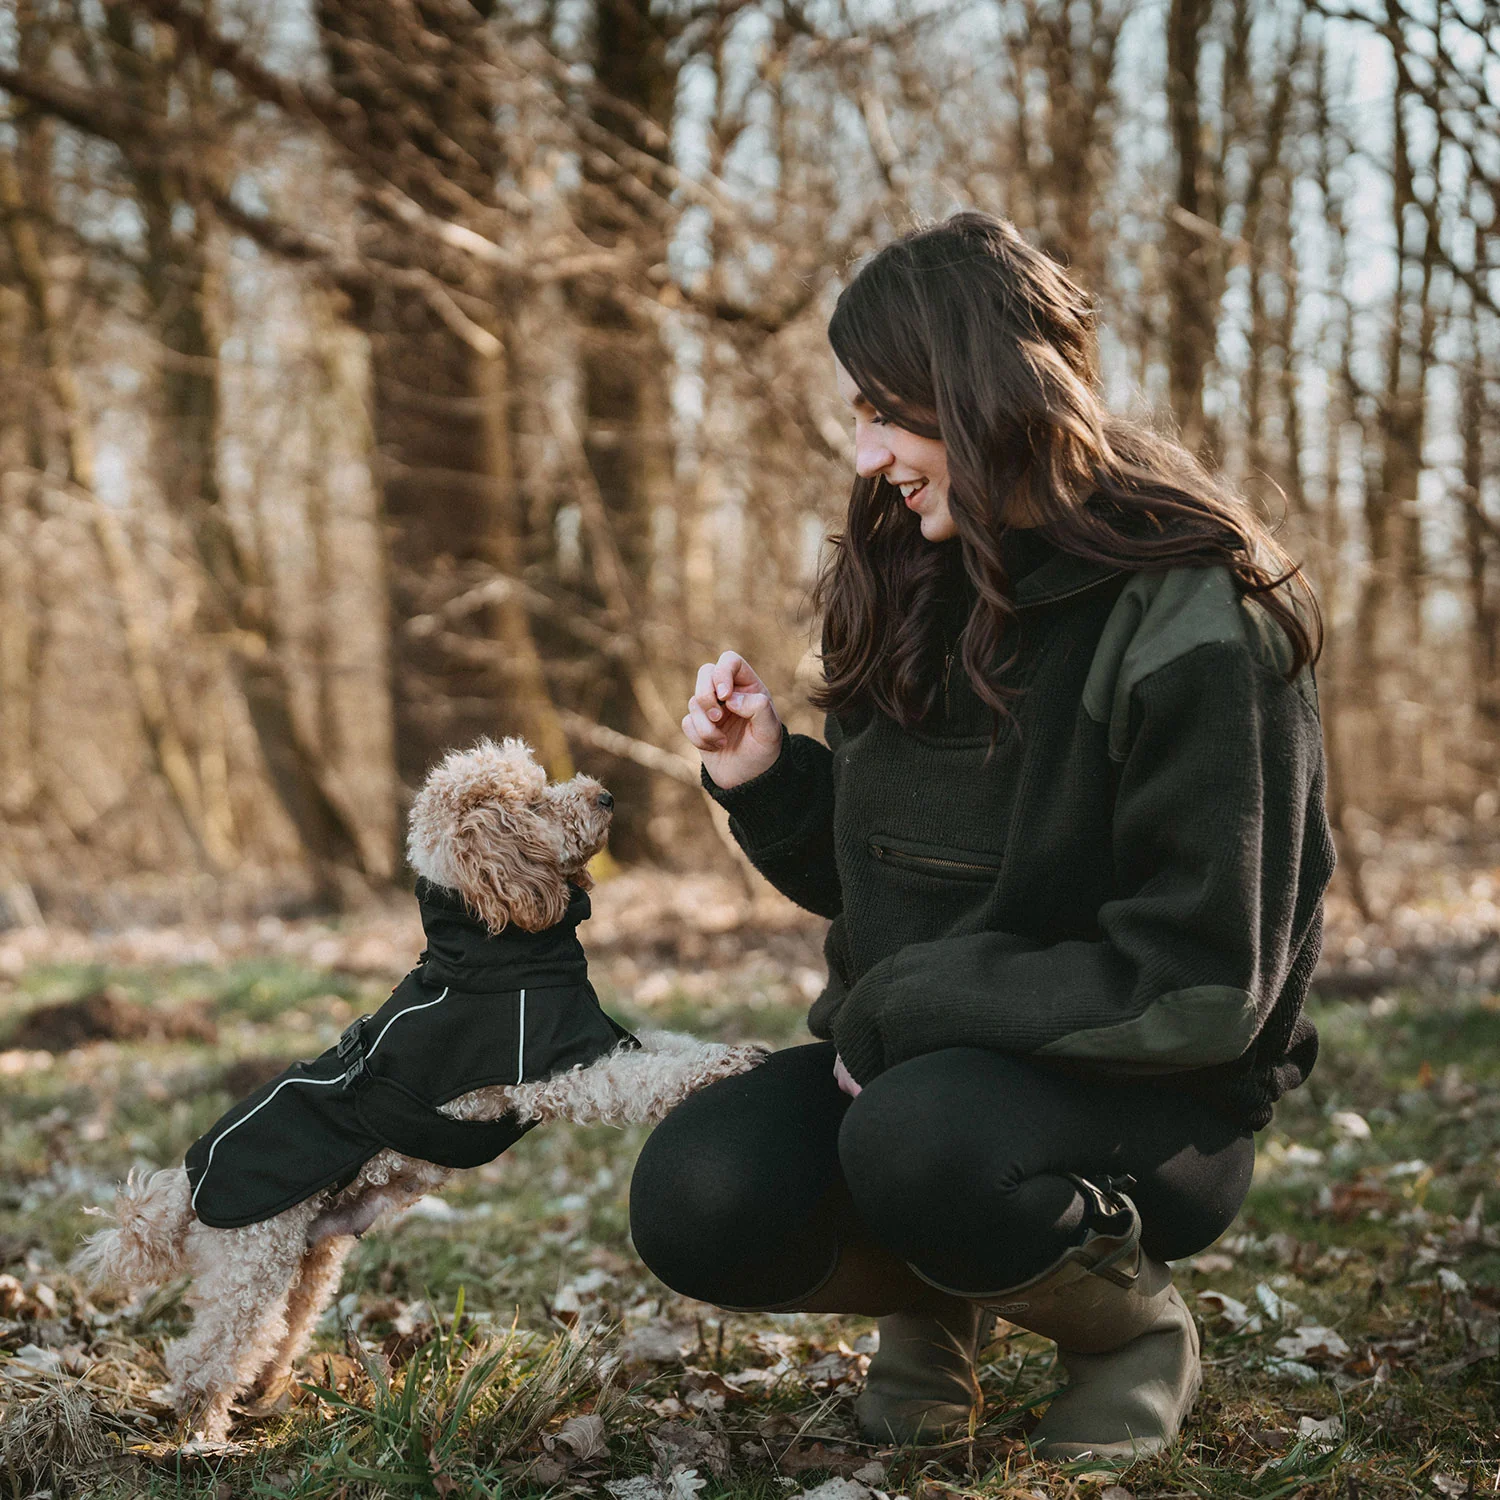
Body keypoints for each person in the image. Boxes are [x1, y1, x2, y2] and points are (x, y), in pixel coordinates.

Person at [628, 211, 1334, 1461]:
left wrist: (907, 1009)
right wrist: (768, 779)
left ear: (986, 394)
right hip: (926, 1078)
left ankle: (1129, 1331)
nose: (867, 456)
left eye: (887, 413)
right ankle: (944, 1289)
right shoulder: (918, 572)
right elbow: (887, 888)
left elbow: (1207, 987)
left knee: (921, 1137)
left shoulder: (1199, 613)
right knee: (698, 1194)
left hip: (1157, 1102)